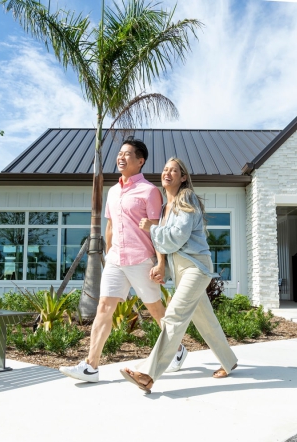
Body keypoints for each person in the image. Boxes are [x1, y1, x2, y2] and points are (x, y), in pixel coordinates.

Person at [60, 139, 187, 383]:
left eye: (127, 154)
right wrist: (109, 257)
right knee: (104, 308)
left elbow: (157, 230)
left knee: (155, 310)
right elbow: (109, 226)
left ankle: (178, 349)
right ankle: (91, 366)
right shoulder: (113, 191)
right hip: (116, 260)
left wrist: (160, 263)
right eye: (119, 154)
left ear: (140, 161)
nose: (121, 157)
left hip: (142, 259)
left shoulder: (149, 191)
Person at [120, 157, 238, 393]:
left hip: (196, 268)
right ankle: (229, 361)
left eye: (174, 170)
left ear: (183, 177)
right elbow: (164, 244)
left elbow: (177, 236)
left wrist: (151, 228)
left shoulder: (187, 198)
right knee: (206, 321)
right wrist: (161, 264)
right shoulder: (165, 207)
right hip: (181, 271)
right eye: (165, 169)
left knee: (173, 316)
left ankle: (148, 374)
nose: (168, 173)